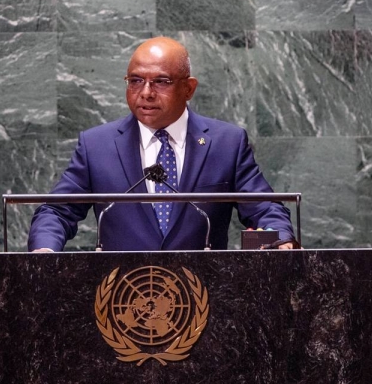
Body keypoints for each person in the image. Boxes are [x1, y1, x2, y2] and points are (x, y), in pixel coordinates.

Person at [28, 36, 296, 252]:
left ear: (189, 89)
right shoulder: (97, 145)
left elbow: (266, 208)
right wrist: (44, 252)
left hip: (204, 299)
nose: (145, 93)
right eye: (135, 81)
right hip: (119, 301)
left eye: (161, 82)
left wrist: (281, 240)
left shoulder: (227, 143)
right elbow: (55, 211)